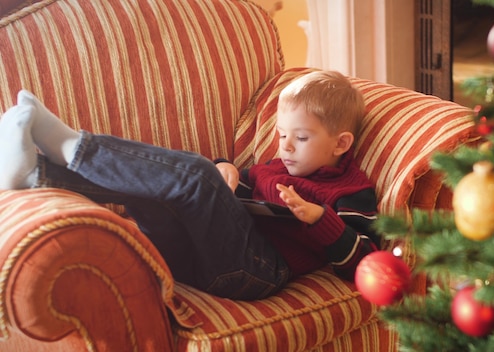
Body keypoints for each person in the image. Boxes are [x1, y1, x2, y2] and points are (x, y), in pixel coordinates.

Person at [0, 70, 380, 300]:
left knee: (196, 175)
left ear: (341, 143)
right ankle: (38, 176)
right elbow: (236, 195)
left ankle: (72, 146)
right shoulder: (277, 166)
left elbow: (364, 261)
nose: (284, 146)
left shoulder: (351, 190)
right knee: (158, 186)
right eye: (281, 134)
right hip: (195, 258)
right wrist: (227, 171)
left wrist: (318, 218)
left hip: (257, 272)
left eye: (300, 138)